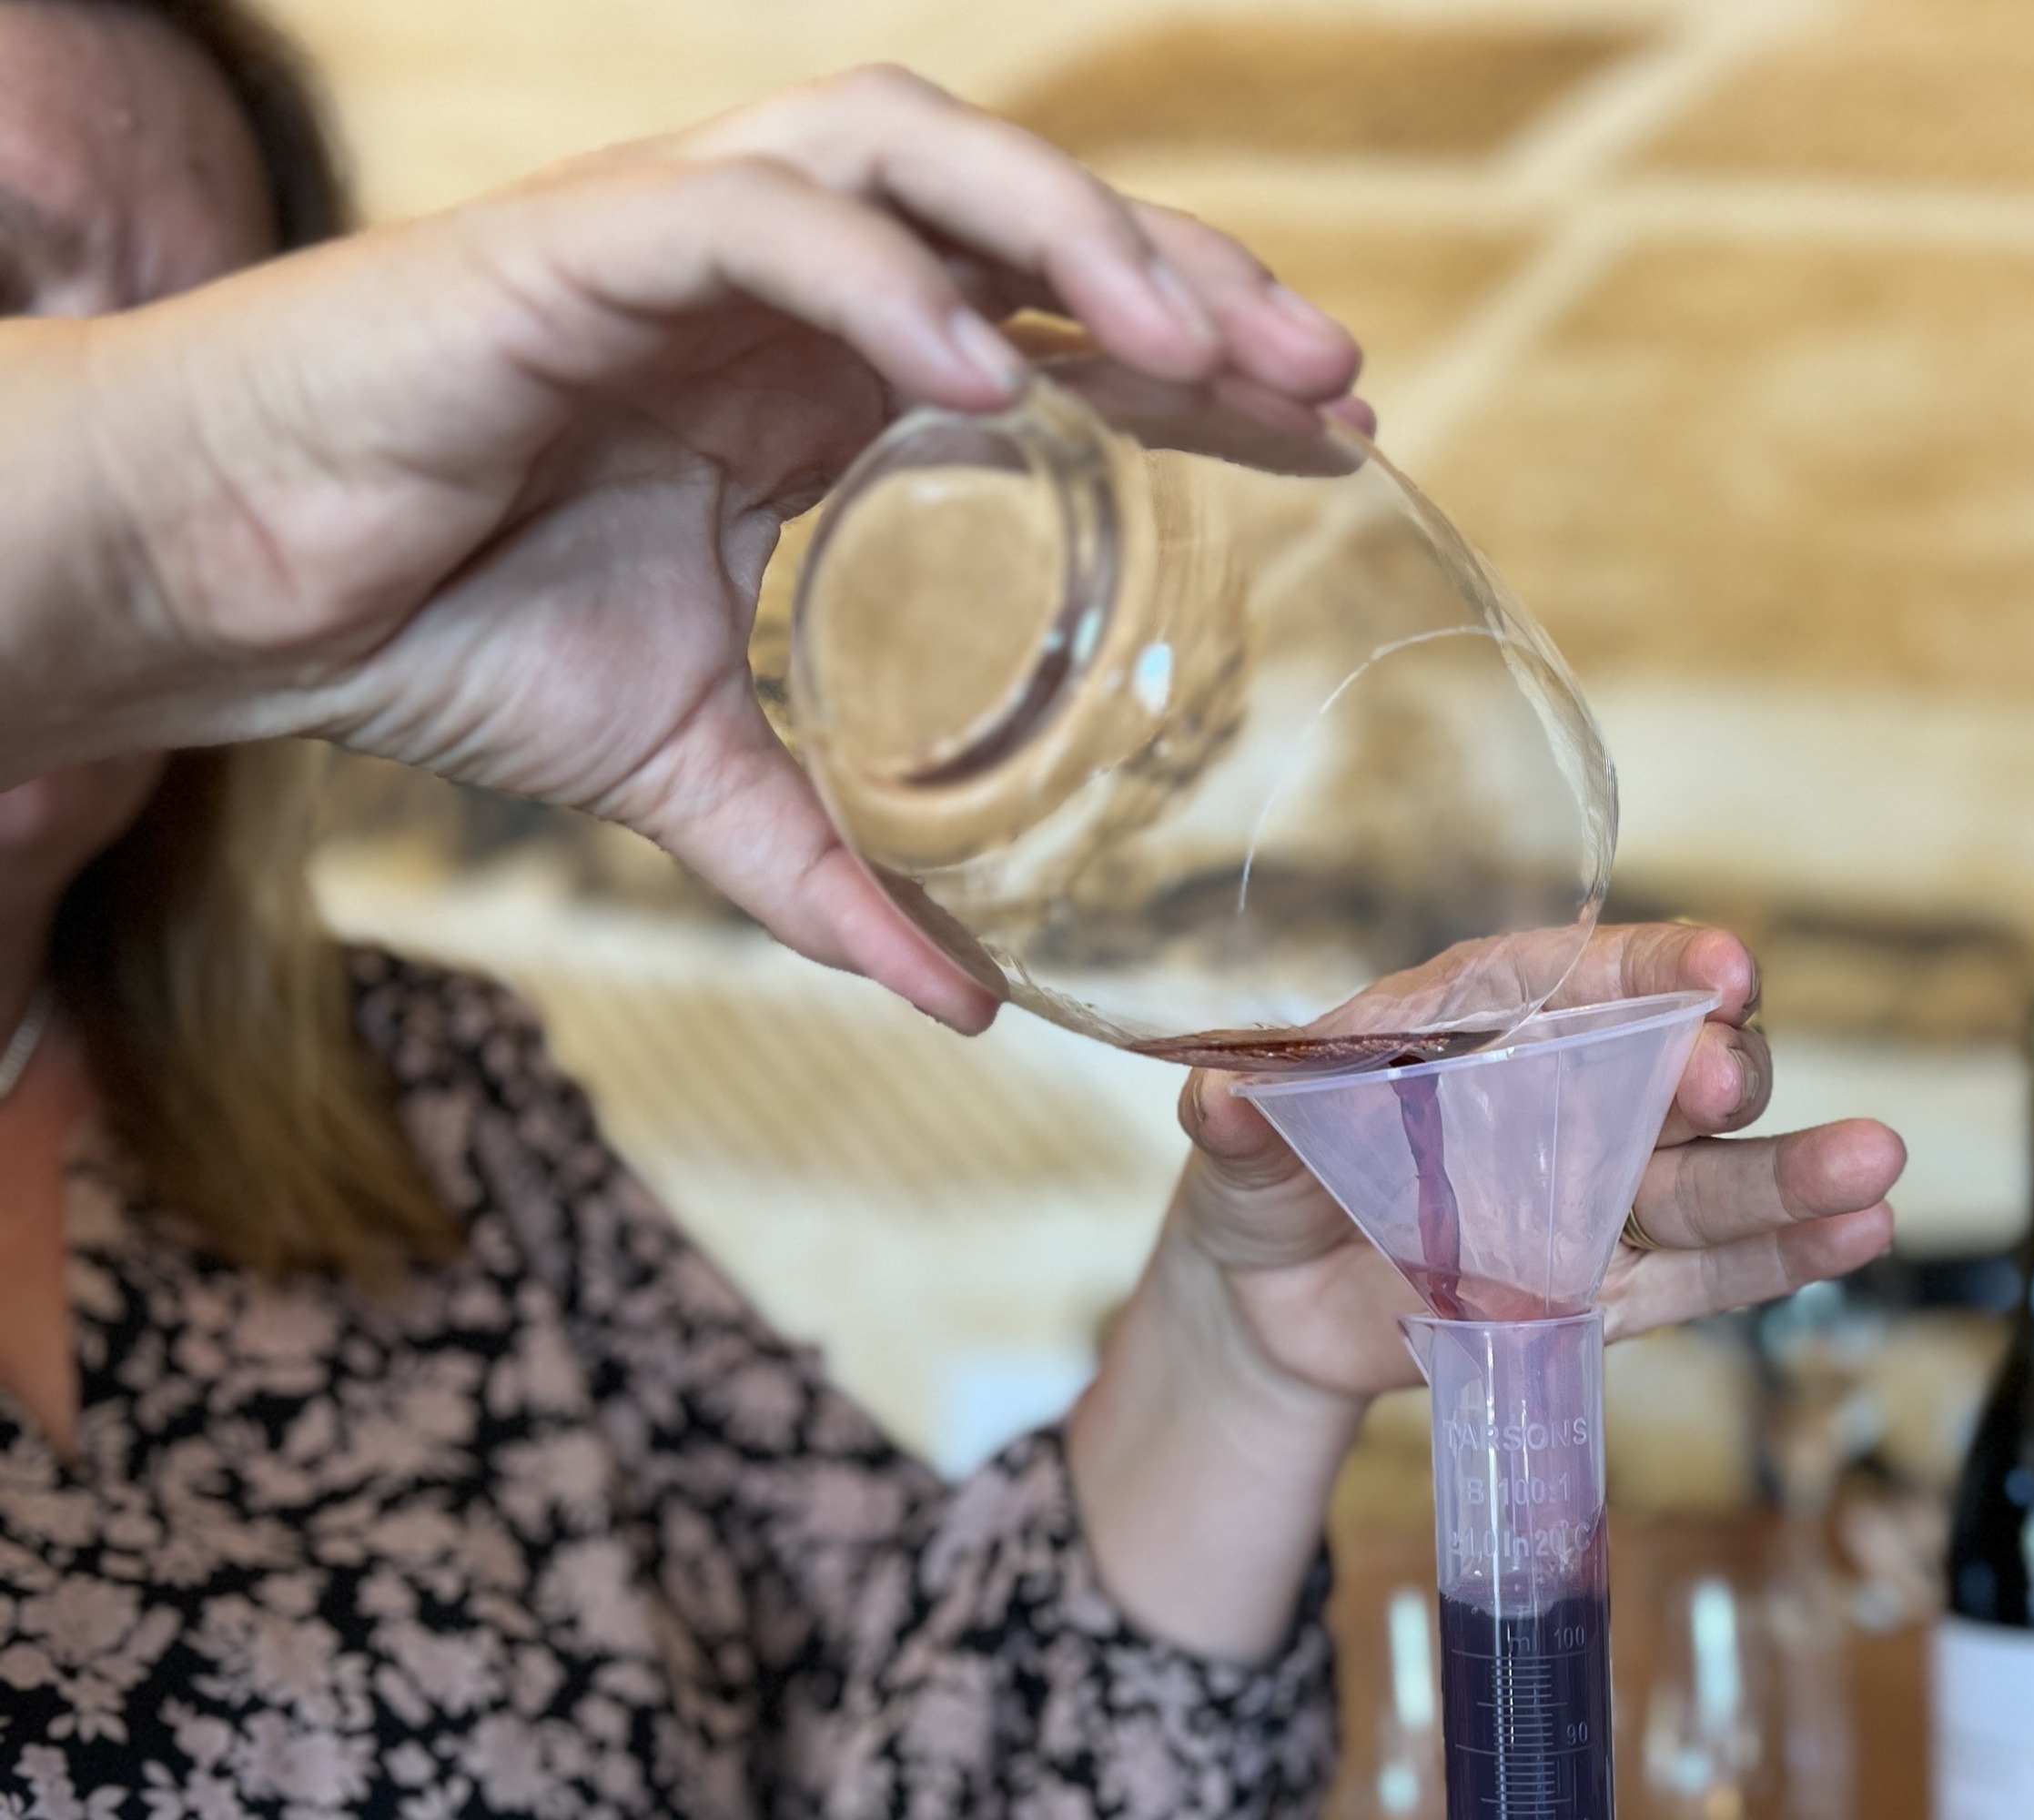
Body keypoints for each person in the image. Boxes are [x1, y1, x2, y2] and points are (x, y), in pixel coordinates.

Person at [0, 1, 1907, 1813]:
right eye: (31, 329)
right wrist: (185, 503)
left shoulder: (413, 1107)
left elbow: (918, 1760)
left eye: (195, 340)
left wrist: (1244, 1351)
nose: (147, 420)